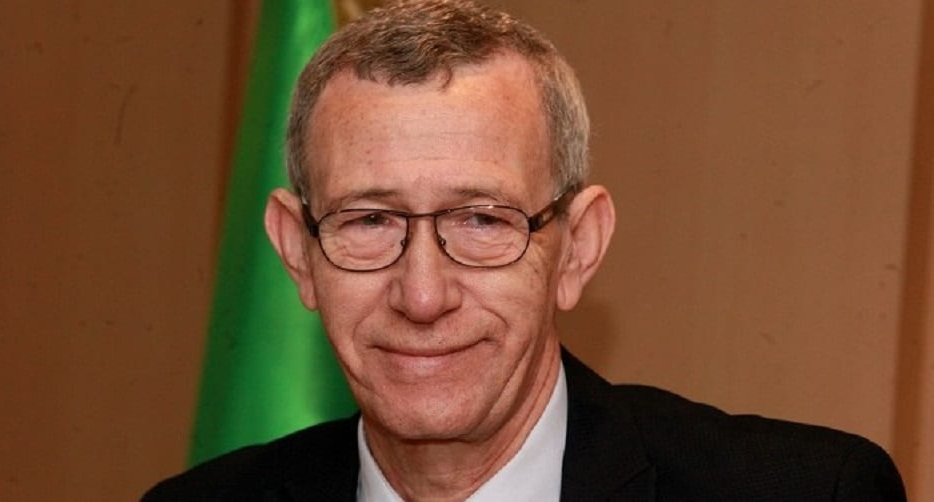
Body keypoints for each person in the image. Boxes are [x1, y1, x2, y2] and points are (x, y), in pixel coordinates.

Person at [144, 1, 906, 500]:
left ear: (578, 248)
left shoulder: (808, 492)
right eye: (369, 220)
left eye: (483, 220)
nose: (422, 295)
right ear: (296, 251)